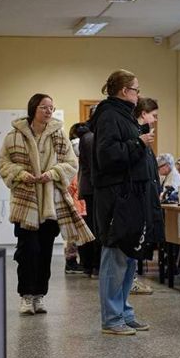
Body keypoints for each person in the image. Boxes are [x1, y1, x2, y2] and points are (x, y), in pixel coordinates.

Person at [0, 93, 94, 315]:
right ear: (33, 109)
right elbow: (3, 163)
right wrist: (21, 174)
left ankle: (39, 295)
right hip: (25, 202)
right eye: (44, 107)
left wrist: (53, 173)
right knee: (27, 251)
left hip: (52, 203)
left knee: (45, 252)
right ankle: (26, 296)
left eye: (51, 107)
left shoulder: (58, 136)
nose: (49, 111)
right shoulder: (14, 136)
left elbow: (71, 164)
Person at [92, 69, 156, 335]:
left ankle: (124, 312)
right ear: (123, 91)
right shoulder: (108, 116)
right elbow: (107, 155)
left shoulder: (124, 116)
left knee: (129, 256)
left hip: (131, 197)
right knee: (115, 257)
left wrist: (137, 138)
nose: (138, 94)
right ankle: (111, 318)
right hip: (117, 198)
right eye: (136, 89)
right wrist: (139, 142)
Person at [129, 97, 165, 296]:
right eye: (154, 115)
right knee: (135, 243)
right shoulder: (138, 137)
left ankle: (133, 278)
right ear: (143, 114)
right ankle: (131, 280)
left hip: (148, 196)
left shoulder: (145, 137)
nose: (156, 120)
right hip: (139, 198)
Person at [77, 108, 101, 278]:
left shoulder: (87, 136)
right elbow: (96, 166)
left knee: (92, 226)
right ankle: (95, 265)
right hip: (95, 188)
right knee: (96, 227)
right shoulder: (92, 137)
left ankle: (90, 265)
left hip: (89, 187)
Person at [64, 122, 90, 275]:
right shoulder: (76, 156)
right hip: (77, 201)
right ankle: (72, 262)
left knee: (75, 234)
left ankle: (73, 261)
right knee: (76, 235)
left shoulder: (72, 156)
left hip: (77, 200)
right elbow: (73, 184)